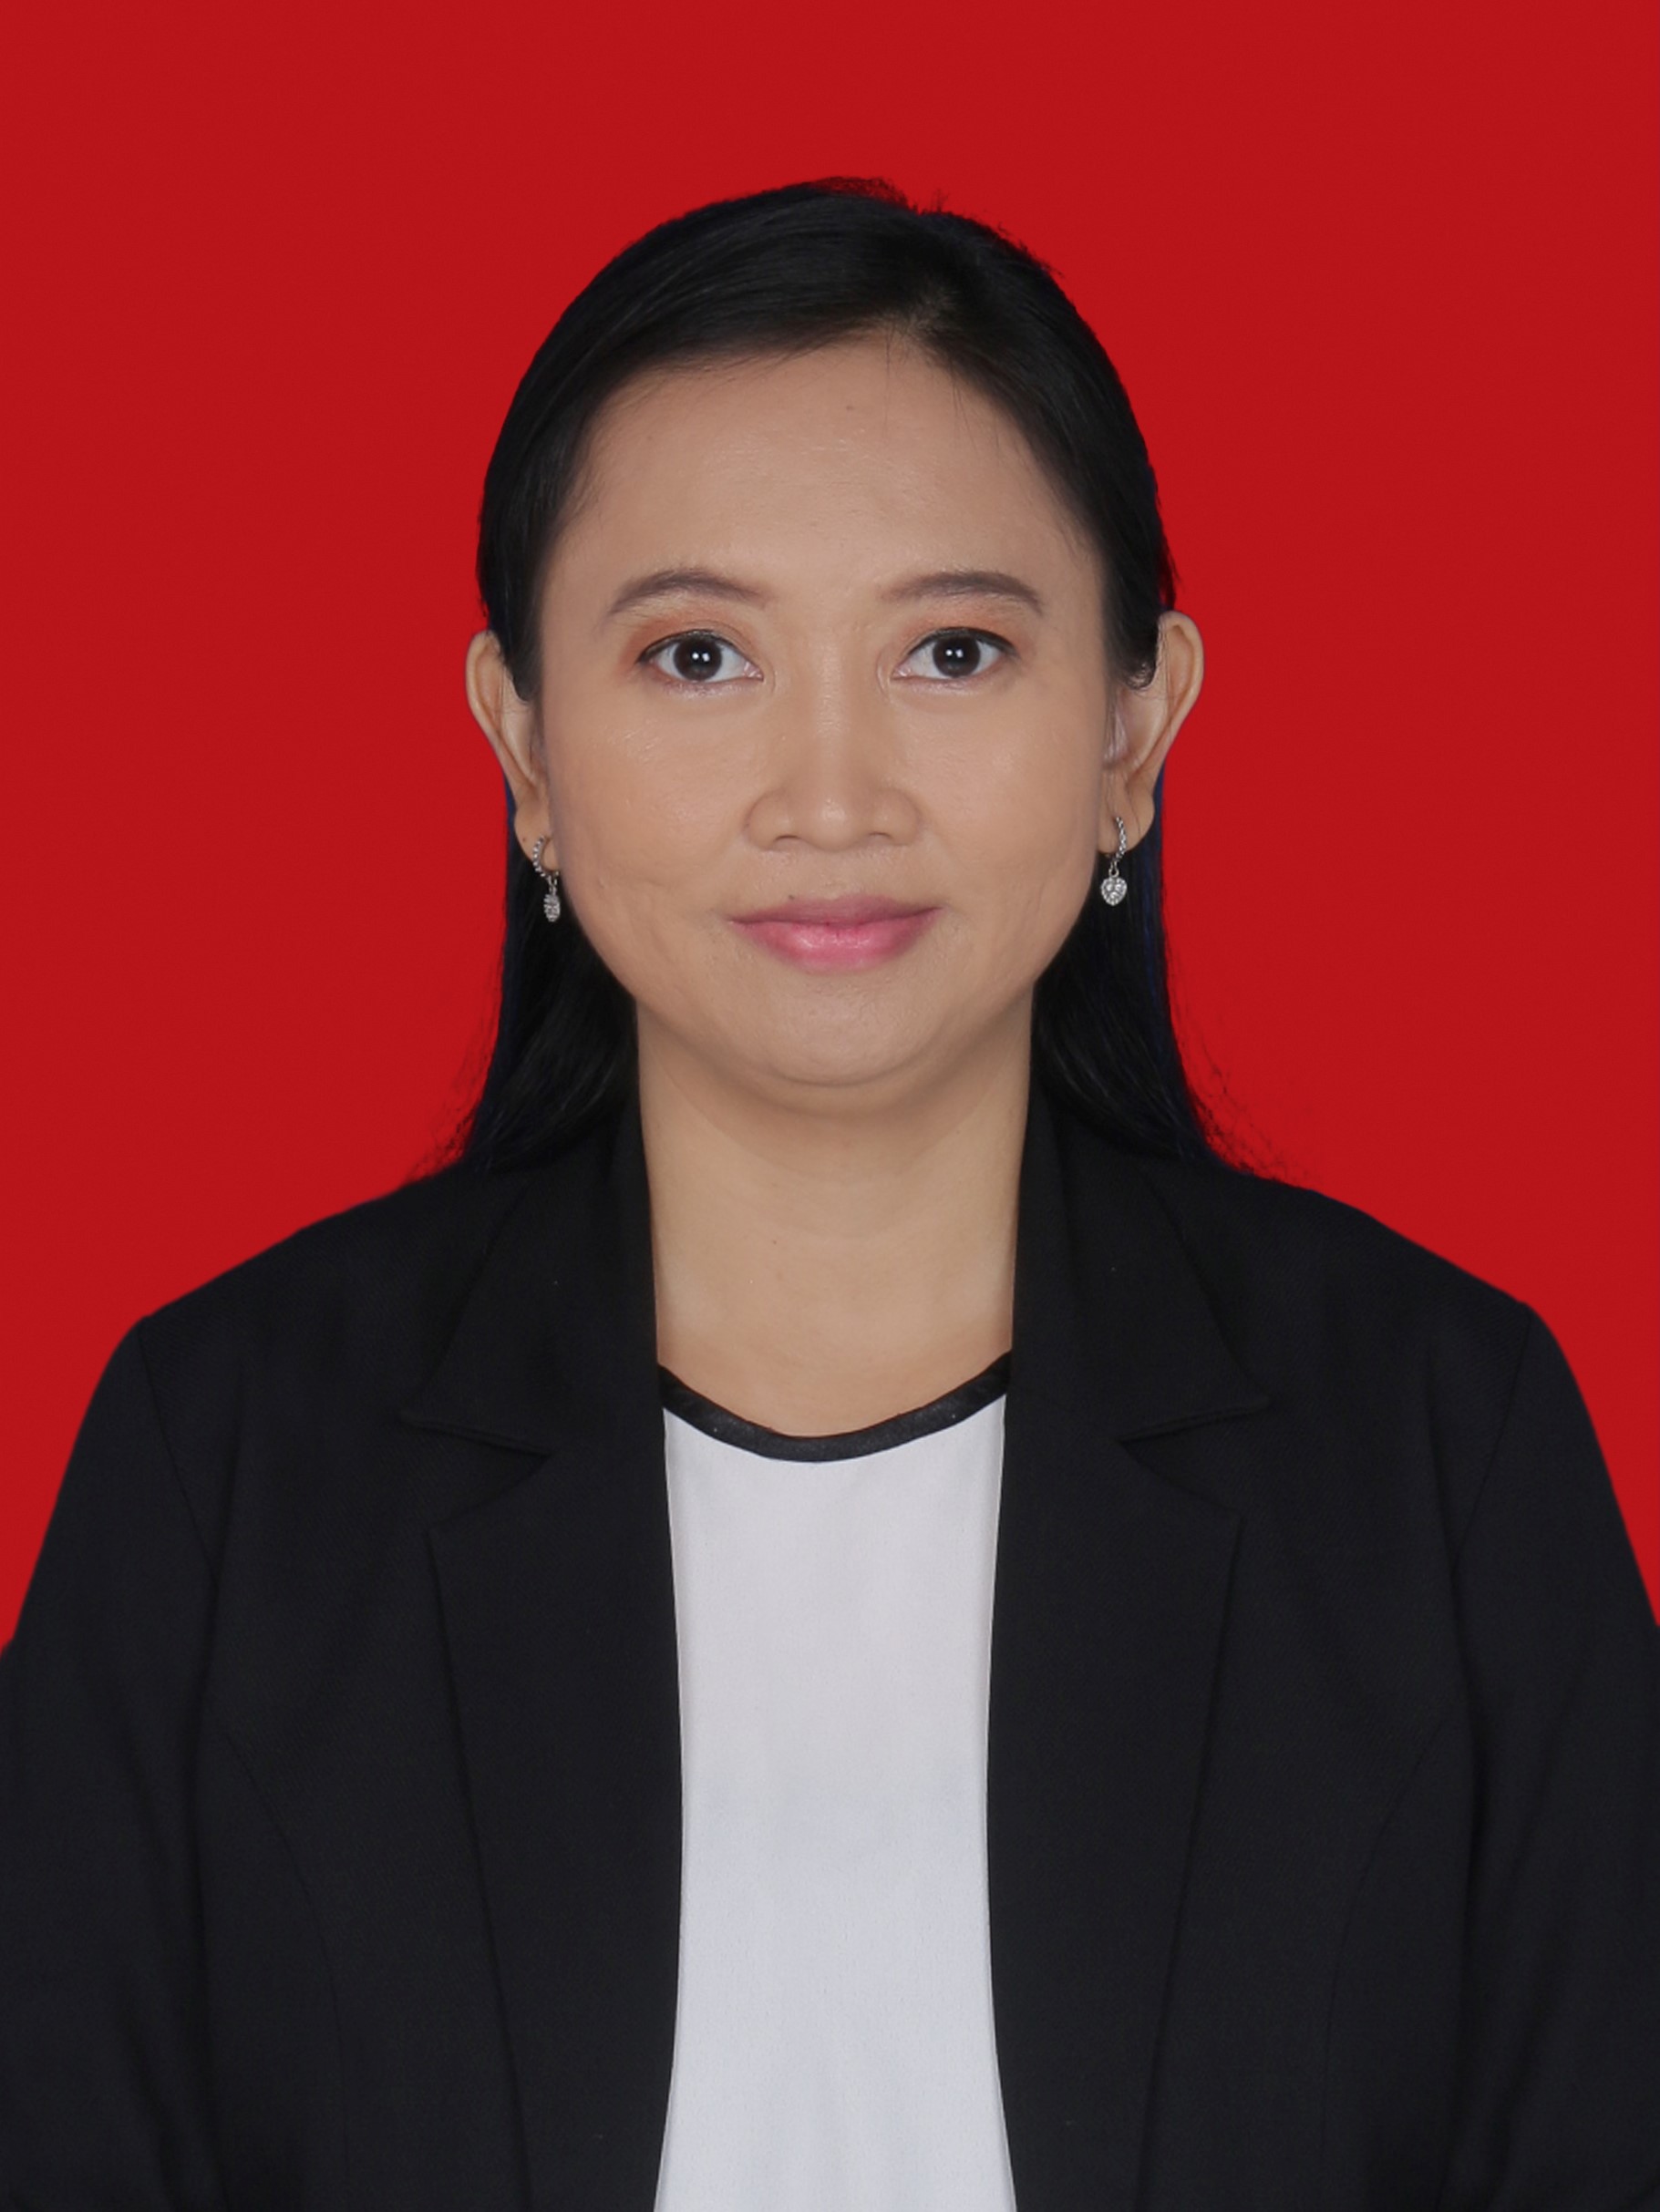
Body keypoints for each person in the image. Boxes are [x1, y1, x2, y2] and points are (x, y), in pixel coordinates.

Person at [2, 177, 1655, 2212]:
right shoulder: (228, 1458)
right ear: (522, 745)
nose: (830, 798)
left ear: (1134, 724)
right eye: (696, 654)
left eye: (952, 650)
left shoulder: (1438, 1447)